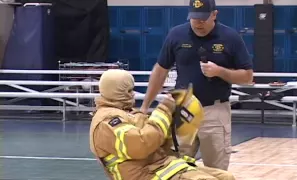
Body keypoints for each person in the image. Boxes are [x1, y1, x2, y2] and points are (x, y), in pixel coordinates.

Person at [140, 0, 253, 171]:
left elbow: (247, 77)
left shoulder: (230, 37)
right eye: (194, 18)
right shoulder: (176, 35)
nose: (198, 23)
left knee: (216, 169)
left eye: (203, 18)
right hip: (183, 110)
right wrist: (144, 106)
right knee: (177, 166)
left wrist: (219, 71)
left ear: (214, 15)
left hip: (215, 111)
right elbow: (160, 70)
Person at [89, 69, 236, 180]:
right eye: (128, 90)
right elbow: (141, 144)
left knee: (226, 177)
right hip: (147, 174)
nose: (133, 94)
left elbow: (158, 142)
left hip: (163, 167)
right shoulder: (107, 121)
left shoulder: (128, 113)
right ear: (116, 91)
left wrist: (177, 123)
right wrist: (164, 110)